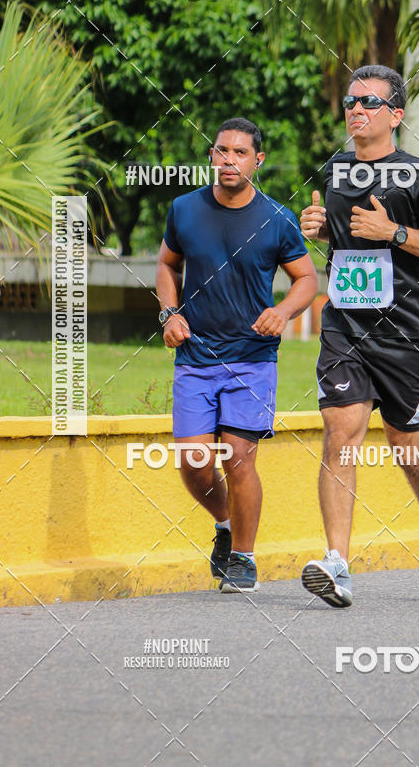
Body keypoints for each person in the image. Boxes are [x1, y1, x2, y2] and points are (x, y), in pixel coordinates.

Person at [299, 65, 419, 607]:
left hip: (405, 333)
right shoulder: (338, 169)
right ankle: (337, 564)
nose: (355, 109)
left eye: (369, 102)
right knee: (341, 431)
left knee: (404, 444)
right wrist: (323, 228)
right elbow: (344, 243)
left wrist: (391, 231)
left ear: (395, 115)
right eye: (350, 101)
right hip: (345, 323)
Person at [156, 117, 318, 593]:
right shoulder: (184, 209)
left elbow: (306, 279)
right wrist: (169, 313)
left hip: (252, 356)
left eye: (240, 152)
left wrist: (284, 311)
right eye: (222, 151)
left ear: (257, 160)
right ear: (212, 156)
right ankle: (225, 523)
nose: (230, 160)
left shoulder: (276, 218)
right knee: (193, 461)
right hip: (195, 355)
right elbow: (167, 265)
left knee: (239, 457)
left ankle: (244, 557)